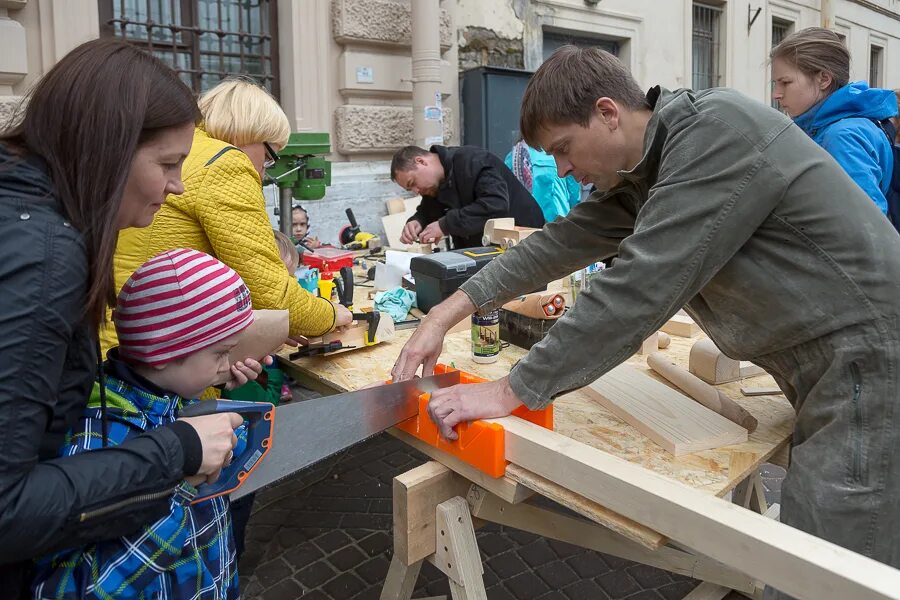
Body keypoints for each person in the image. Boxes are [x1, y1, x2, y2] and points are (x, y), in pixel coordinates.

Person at [391, 45, 900, 597]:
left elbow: (637, 289)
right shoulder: (648, 171)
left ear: (608, 114)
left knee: (823, 574)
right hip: (827, 362)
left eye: (563, 148)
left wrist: (513, 390)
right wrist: (443, 314)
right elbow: (555, 245)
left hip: (870, 360)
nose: (560, 168)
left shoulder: (715, 134)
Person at [0, 40, 254, 596]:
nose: (178, 185)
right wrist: (177, 451)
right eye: (167, 163)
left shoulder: (32, 225)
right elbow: (7, 509)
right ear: (106, 150)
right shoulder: (43, 259)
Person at [32, 249, 256, 599]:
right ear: (164, 350)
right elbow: (72, 589)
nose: (228, 364)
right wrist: (182, 484)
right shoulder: (101, 439)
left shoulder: (177, 399)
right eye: (220, 353)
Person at [103, 78, 352, 356]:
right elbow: (273, 294)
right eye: (269, 157)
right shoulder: (225, 161)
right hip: (159, 354)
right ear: (245, 134)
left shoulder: (188, 150)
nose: (264, 171)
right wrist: (331, 315)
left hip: (122, 336)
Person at [771, 27, 897, 215]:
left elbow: (863, 226)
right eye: (775, 84)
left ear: (824, 79)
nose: (776, 94)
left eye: (786, 82)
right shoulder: (828, 127)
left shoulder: (842, 137)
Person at [390, 145, 545, 248]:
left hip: (526, 244)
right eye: (410, 189)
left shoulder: (472, 161)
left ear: (421, 162)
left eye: (413, 182)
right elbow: (431, 207)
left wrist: (445, 225)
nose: (416, 191)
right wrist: (419, 221)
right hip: (490, 251)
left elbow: (495, 205)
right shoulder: (435, 184)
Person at [505, 139, 581, 222]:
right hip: (558, 220)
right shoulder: (557, 153)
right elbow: (574, 191)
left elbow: (508, 194)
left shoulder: (513, 156)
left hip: (525, 223)